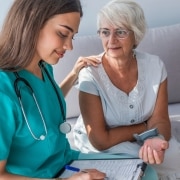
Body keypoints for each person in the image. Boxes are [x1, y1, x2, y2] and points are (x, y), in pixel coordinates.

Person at [73, 0, 180, 179]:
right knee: (132, 167)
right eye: (105, 32)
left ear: (136, 35)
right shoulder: (90, 74)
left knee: (171, 159)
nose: (112, 40)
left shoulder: (155, 65)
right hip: (106, 147)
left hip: (146, 138)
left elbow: (161, 119)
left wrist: (157, 138)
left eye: (121, 32)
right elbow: (100, 140)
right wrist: (145, 127)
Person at [0, 0, 106, 180]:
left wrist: (74, 73)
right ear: (32, 22)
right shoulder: (4, 89)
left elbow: (44, 106)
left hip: (66, 163)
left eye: (72, 36)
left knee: (143, 169)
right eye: (63, 33)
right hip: (39, 176)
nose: (69, 46)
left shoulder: (43, 67)